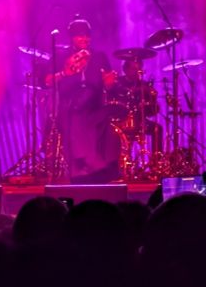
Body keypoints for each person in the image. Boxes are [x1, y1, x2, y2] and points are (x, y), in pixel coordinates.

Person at [46, 16, 119, 182]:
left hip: (95, 105)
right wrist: (65, 73)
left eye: (87, 36)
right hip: (70, 105)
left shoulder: (99, 56)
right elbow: (47, 80)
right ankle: (87, 170)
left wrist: (109, 84)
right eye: (80, 36)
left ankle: (103, 168)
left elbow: (109, 83)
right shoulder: (60, 55)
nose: (84, 39)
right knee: (77, 120)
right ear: (72, 38)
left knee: (108, 125)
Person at [108, 57, 163, 154]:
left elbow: (152, 111)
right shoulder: (118, 83)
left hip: (138, 121)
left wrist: (151, 99)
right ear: (126, 70)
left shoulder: (144, 86)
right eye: (133, 69)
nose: (136, 72)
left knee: (157, 129)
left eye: (138, 69)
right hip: (120, 122)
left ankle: (156, 161)